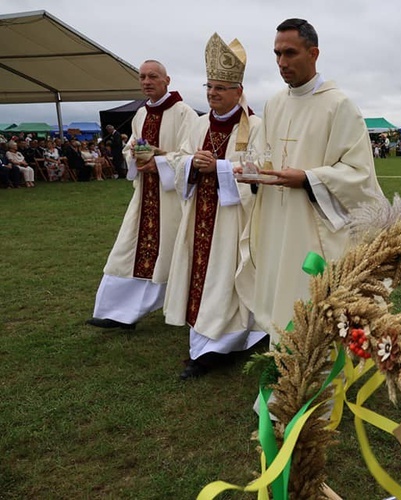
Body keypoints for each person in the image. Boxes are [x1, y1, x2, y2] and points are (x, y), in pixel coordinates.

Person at [238, 18, 384, 346]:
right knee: (282, 299)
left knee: (312, 302)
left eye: (290, 53)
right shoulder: (274, 104)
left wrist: (308, 178)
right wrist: (253, 173)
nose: (281, 63)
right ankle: (283, 373)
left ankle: (317, 380)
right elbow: (268, 155)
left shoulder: (339, 106)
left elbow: (358, 172)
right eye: (276, 54)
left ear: (313, 53)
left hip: (315, 228)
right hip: (278, 223)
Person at [163, 34, 265, 380]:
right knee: (202, 276)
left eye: (221, 88)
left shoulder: (257, 127)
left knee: (226, 278)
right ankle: (208, 343)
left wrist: (219, 167)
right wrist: (191, 162)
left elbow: (260, 171)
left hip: (233, 219)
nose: (213, 94)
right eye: (210, 87)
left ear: (238, 90)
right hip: (200, 217)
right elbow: (178, 157)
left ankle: (215, 348)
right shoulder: (200, 122)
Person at [86, 60, 199, 331]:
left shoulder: (184, 113)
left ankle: (186, 307)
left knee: (171, 254)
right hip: (146, 196)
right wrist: (137, 155)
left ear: (167, 80)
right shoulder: (141, 114)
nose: (146, 82)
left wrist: (158, 160)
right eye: (142, 77)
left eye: (153, 77)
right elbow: (130, 147)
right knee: (129, 250)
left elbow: (190, 154)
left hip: (172, 199)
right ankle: (118, 312)